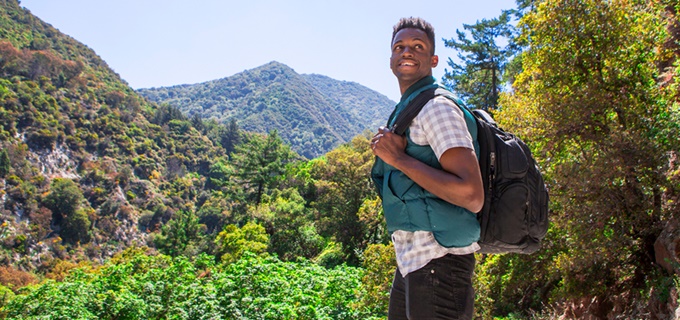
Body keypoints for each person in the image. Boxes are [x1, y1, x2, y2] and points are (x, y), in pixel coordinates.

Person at [370, 17, 484, 319]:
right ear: (391, 59)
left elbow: (472, 194)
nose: (407, 51)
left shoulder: (437, 108)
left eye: (417, 47)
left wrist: (399, 159)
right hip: (412, 260)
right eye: (400, 46)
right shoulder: (409, 108)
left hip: (441, 261)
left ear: (432, 59)